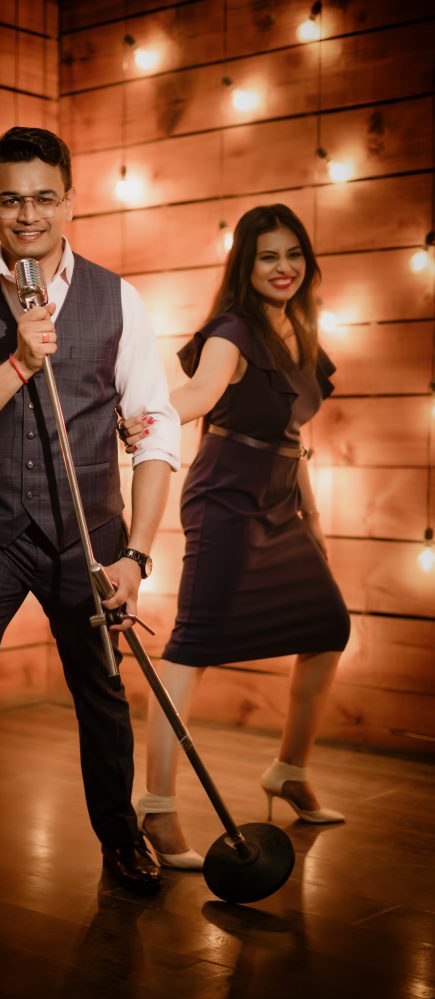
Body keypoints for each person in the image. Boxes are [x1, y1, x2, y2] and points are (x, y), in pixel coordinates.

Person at [0, 126, 181, 973]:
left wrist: (136, 555)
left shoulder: (117, 300)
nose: (28, 214)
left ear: (70, 201)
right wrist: (19, 365)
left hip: (86, 536)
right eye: (10, 198)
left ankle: (120, 837)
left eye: (44, 197)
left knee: (101, 693)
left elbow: (155, 429)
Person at [118, 204, 351, 869]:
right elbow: (198, 393)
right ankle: (156, 806)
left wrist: (314, 520)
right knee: (191, 647)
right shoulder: (233, 330)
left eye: (293, 254)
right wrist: (146, 415)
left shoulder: (301, 332)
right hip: (225, 501)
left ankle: (288, 771)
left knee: (328, 628)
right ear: (246, 265)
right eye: (268, 256)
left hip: (281, 502)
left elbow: (292, 437)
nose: (283, 268)